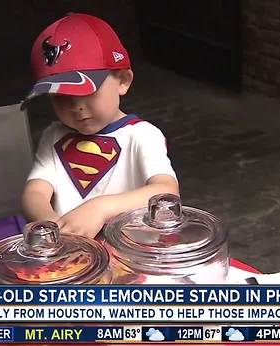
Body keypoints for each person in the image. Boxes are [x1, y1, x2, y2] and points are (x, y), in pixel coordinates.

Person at [21, 13, 179, 238]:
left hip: (132, 256)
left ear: (123, 80)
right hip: (73, 257)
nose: (76, 106)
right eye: (60, 96)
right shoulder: (53, 136)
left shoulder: (142, 135)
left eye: (86, 91)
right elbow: (35, 191)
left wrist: (100, 208)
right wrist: (53, 226)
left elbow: (166, 191)